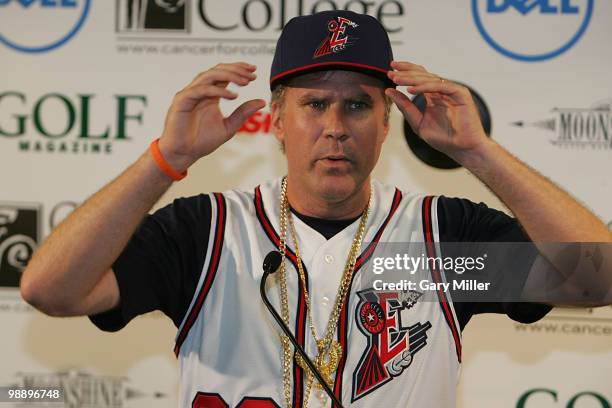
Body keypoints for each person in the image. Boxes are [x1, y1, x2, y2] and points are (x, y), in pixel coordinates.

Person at [20, 10, 611, 408]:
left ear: (387, 123)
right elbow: (51, 290)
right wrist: (165, 159)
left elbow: (597, 277)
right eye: (313, 104)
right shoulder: (208, 231)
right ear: (275, 120)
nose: (335, 128)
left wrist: (479, 153)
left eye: (357, 105)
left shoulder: (443, 240)